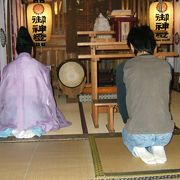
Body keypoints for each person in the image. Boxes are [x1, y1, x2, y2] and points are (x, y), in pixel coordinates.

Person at [116, 25, 174, 165]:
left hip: (138, 133)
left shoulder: (124, 67)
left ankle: (139, 148)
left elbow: (122, 101)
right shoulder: (167, 67)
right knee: (154, 127)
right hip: (166, 133)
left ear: (131, 46)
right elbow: (164, 97)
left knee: (126, 133)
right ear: (154, 46)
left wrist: (127, 121)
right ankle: (158, 146)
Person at [0, 26, 71, 138]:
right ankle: (33, 127)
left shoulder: (6, 68)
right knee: (46, 114)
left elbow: (2, 97)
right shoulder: (41, 68)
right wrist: (53, 114)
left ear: (16, 50)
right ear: (32, 50)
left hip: (10, 116)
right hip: (35, 114)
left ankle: (14, 127)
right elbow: (48, 98)